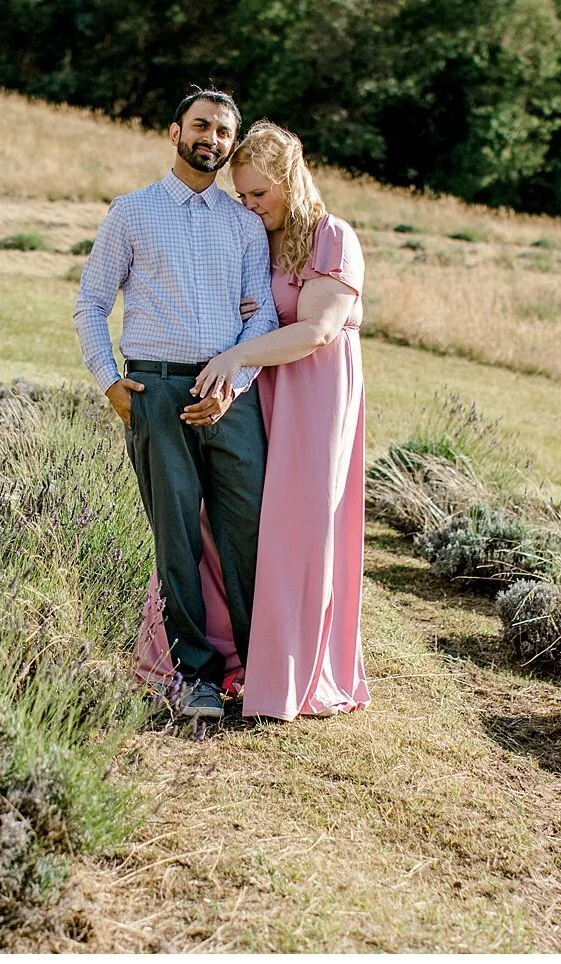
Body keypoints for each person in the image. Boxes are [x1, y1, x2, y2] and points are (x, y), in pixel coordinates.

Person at [135, 120, 371, 722]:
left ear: (290, 181)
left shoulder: (332, 238)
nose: (249, 205)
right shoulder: (257, 238)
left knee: (298, 532)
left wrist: (239, 352)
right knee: (232, 523)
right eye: (241, 194)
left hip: (313, 402)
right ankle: (219, 659)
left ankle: (288, 675)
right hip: (258, 396)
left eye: (259, 193)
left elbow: (317, 330)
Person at [73, 89, 279, 721]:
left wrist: (232, 385)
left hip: (229, 397)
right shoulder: (131, 213)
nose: (211, 139)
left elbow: (263, 317)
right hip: (156, 394)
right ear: (174, 132)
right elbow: (90, 304)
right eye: (200, 126)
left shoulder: (244, 224)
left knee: (248, 531)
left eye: (222, 132)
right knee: (177, 537)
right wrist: (110, 381)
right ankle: (193, 675)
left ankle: (260, 670)